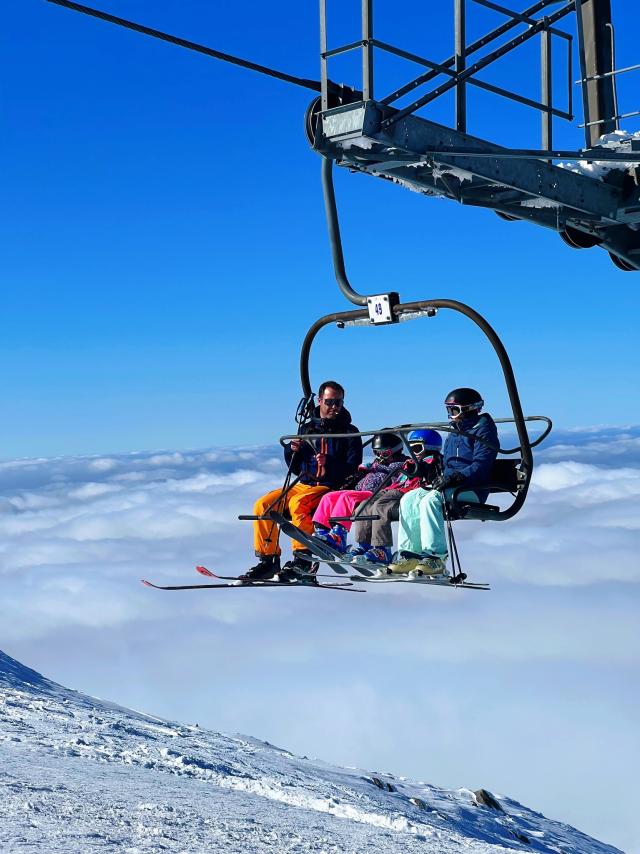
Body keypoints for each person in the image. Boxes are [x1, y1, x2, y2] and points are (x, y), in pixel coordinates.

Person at [243, 381, 362, 582]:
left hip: (327, 487)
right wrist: (292, 450)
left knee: (298, 504)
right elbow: (295, 467)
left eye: (338, 403)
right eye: (330, 401)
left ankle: (303, 558)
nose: (334, 407)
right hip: (302, 483)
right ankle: (268, 559)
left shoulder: (350, 433)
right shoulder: (307, 429)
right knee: (263, 505)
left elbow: (353, 467)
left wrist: (330, 464)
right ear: (320, 400)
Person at [389, 388, 499, 576]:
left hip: (472, 488)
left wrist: (457, 477)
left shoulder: (483, 431)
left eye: (454, 410)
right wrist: (430, 472)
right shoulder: (455, 432)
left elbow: (481, 464)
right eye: (448, 410)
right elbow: (447, 462)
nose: (451, 416)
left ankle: (435, 557)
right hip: (452, 485)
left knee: (430, 500)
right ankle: (411, 555)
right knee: (410, 499)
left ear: (470, 409)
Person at [347, 429, 443, 566]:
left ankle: (382, 549)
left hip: (408, 490)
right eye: (411, 448)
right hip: (396, 488)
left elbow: (430, 476)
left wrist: (421, 469)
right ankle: (365, 545)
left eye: (417, 448)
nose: (414, 452)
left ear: (430, 447)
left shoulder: (432, 460)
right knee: (364, 505)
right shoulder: (412, 461)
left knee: (380, 506)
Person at [310, 432, 407, 553]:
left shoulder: (401, 464)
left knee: (347, 497)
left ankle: (339, 534)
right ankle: (322, 532)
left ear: (395, 451)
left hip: (375, 493)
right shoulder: (375, 463)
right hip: (359, 491)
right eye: (376, 452)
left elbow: (398, 480)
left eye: (384, 453)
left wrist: (376, 468)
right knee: (329, 497)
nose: (380, 456)